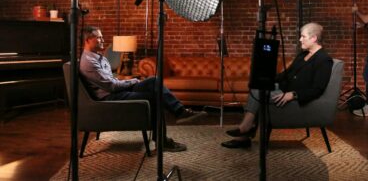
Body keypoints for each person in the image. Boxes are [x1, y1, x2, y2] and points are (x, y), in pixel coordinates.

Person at [79, 26, 207, 152]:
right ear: (87, 40)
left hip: (117, 91)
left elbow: (112, 81)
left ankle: (179, 111)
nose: (103, 40)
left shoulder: (99, 57)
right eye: (99, 38)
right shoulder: (89, 62)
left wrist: (127, 82)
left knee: (153, 81)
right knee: (154, 97)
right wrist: (133, 81)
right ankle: (163, 140)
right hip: (110, 97)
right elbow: (111, 86)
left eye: (102, 37)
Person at [221, 22, 333, 149]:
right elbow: (287, 74)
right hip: (283, 89)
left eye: (303, 36)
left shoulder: (324, 60)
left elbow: (317, 89)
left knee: (259, 92)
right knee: (257, 85)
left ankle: (245, 130)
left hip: (294, 97)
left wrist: (293, 94)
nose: (300, 39)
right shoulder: (303, 54)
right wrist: (267, 79)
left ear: (314, 38)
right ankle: (245, 132)